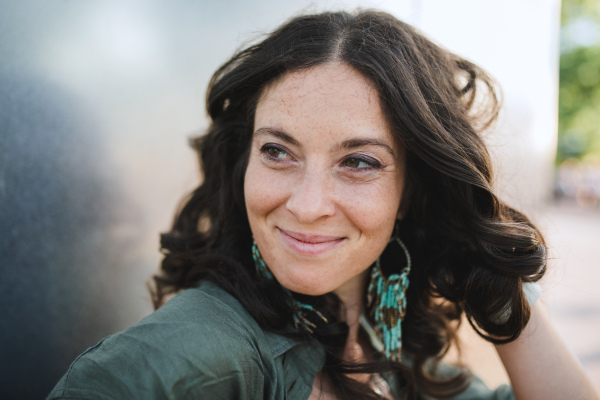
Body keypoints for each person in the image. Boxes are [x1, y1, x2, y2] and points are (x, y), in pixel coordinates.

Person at [47, 9, 598, 400]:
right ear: (245, 161)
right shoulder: (188, 358)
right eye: (278, 151)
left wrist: (498, 285)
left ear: (414, 191)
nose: (308, 206)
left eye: (358, 162)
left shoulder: (389, 345)